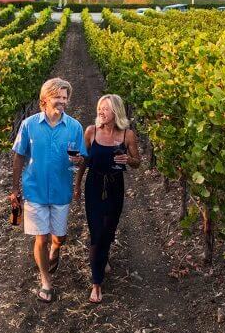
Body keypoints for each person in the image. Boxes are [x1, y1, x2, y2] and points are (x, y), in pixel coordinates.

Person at [11, 78, 86, 303]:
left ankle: (57, 249)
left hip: (61, 190)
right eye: (58, 97)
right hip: (35, 190)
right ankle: (46, 281)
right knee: (40, 238)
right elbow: (18, 156)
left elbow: (81, 159)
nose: (62, 101)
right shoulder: (29, 125)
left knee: (59, 237)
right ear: (45, 99)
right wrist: (15, 188)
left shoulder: (74, 127)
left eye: (65, 97)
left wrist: (79, 159)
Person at [74, 94, 140, 303]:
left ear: (116, 112)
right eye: (99, 108)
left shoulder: (127, 135)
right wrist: (76, 186)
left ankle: (104, 256)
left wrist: (129, 159)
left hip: (115, 187)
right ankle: (96, 283)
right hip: (93, 185)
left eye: (106, 109)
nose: (101, 112)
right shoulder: (91, 132)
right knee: (97, 233)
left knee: (109, 229)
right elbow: (84, 161)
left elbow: (137, 162)